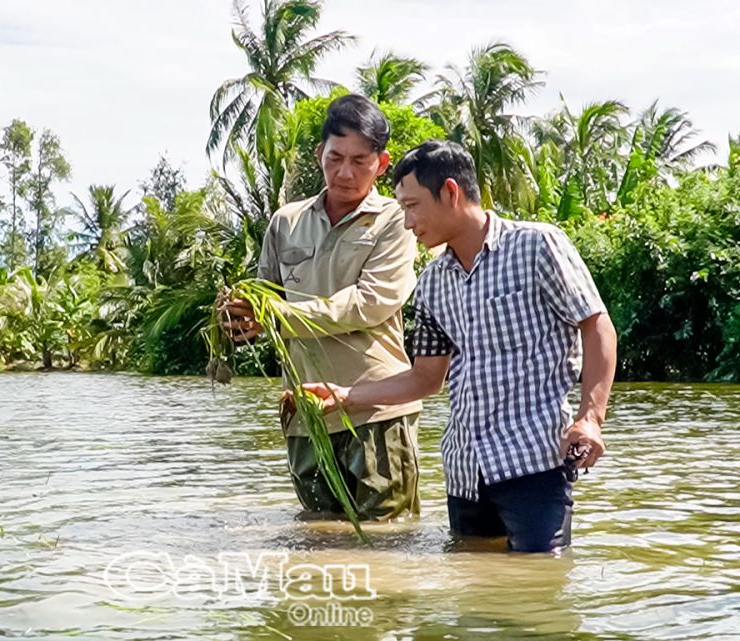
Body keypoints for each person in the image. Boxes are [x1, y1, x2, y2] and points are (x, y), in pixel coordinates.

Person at [299, 140, 618, 552]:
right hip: (466, 470)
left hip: (533, 462)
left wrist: (590, 418)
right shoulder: (432, 284)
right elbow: (425, 377)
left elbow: (597, 325)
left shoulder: (538, 246)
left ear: (450, 192)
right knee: (473, 593)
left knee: (540, 587)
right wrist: (347, 397)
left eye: (412, 206)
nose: (408, 222)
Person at [219, 94, 423, 520]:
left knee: (388, 541)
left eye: (360, 161)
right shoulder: (286, 221)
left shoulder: (395, 220)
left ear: (382, 164)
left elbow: (369, 304)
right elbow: (266, 299)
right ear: (319, 154)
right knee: (318, 542)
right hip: (305, 416)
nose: (345, 173)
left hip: (375, 412)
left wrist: (276, 317)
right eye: (335, 157)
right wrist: (239, 319)